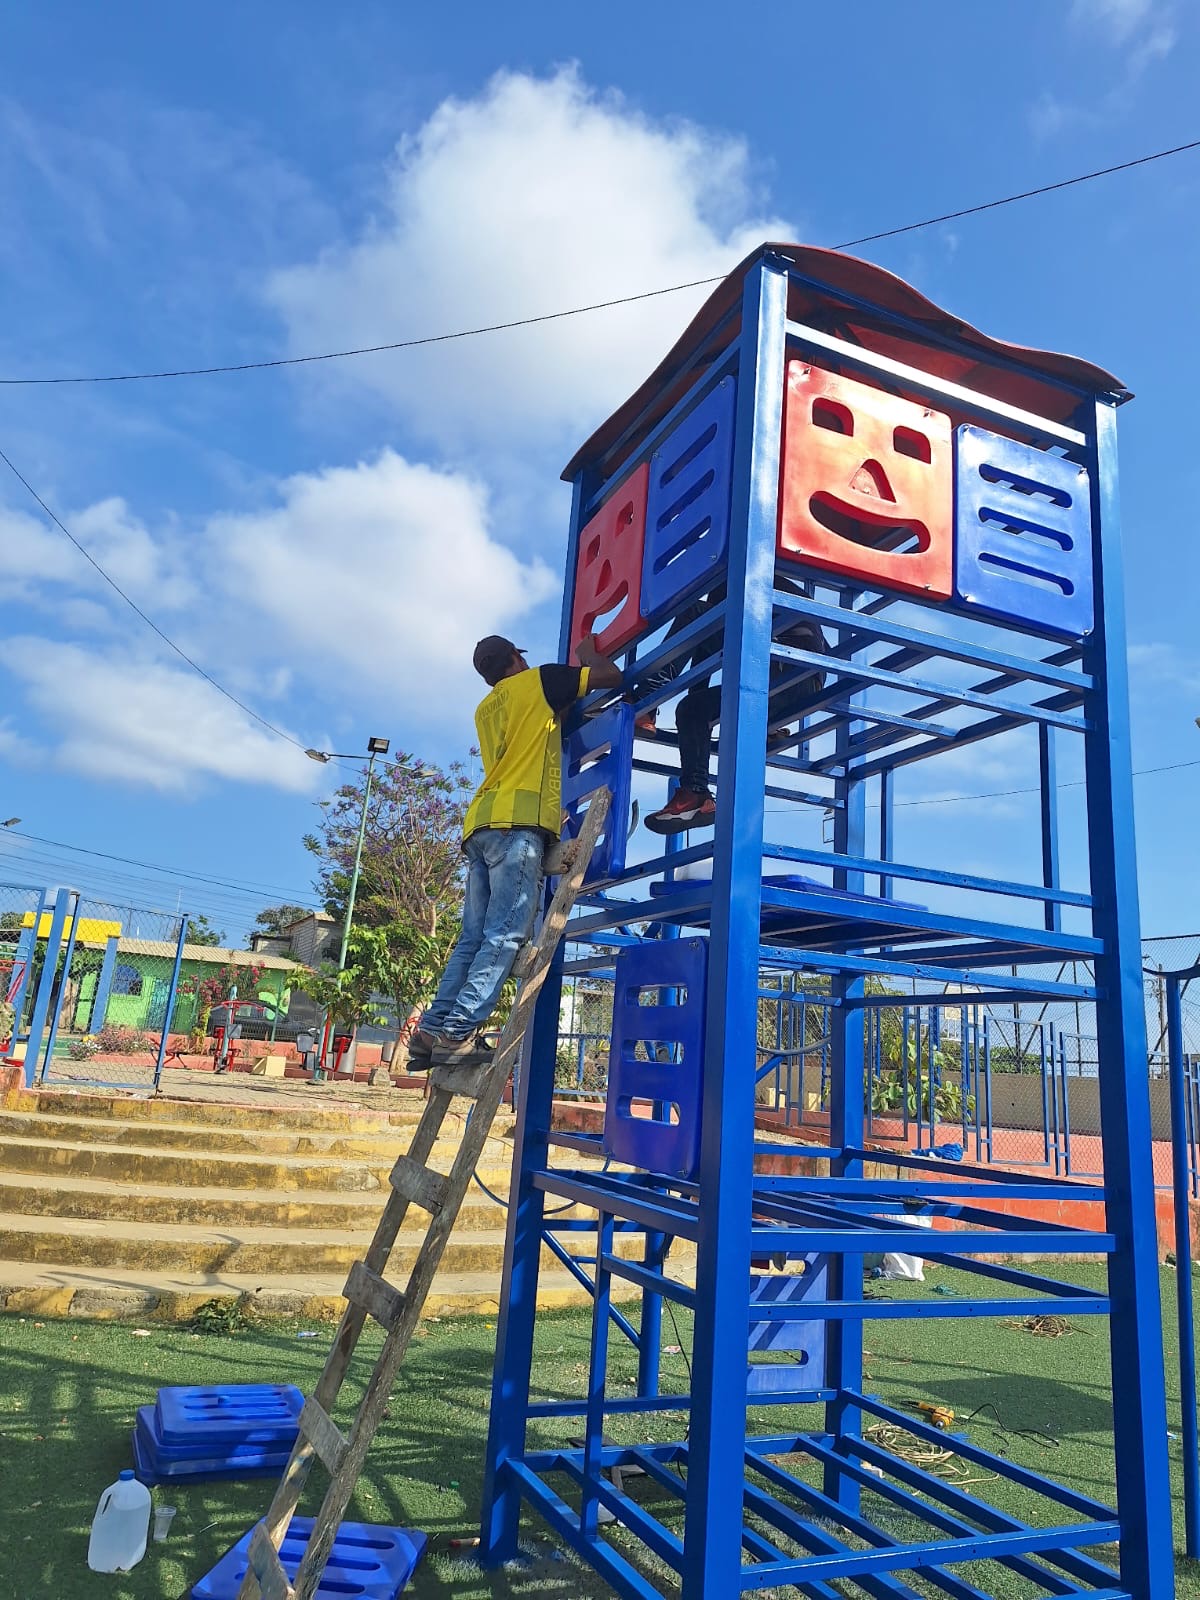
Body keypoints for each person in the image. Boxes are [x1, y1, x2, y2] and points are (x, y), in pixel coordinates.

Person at [409, 631, 624, 1069]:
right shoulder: (539, 681)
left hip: (481, 825)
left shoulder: (487, 707)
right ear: (514, 657)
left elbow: (535, 733)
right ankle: (456, 1034)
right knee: (504, 936)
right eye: (520, 658)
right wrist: (586, 652)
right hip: (516, 827)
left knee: (472, 939)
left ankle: (430, 1032)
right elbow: (610, 676)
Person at [643, 579, 827, 834]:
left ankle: (647, 697)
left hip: (786, 670)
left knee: (694, 614)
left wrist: (659, 705)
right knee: (691, 707)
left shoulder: (734, 577)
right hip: (796, 680)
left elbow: (704, 639)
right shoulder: (762, 583)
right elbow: (704, 652)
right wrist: (695, 716)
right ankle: (695, 795)